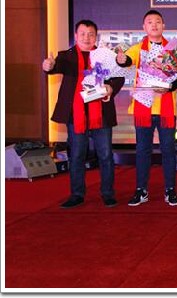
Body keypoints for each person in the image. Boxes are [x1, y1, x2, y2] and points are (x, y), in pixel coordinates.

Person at [42, 20, 124, 208]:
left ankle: (108, 193)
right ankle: (77, 194)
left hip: (101, 114)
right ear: (76, 36)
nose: (87, 38)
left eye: (91, 34)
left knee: (105, 155)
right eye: (83, 34)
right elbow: (54, 67)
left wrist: (111, 87)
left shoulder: (105, 55)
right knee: (77, 155)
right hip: (75, 114)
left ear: (96, 36)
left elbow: (119, 76)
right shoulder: (66, 56)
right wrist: (49, 66)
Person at [116, 9, 177, 207]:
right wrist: (121, 60)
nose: (154, 25)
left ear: (163, 26)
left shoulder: (174, 48)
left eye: (158, 21)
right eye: (150, 22)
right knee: (142, 150)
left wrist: (170, 87)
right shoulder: (137, 48)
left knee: (168, 150)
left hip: (166, 108)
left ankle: (170, 190)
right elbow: (126, 61)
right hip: (143, 107)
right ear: (144, 27)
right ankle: (141, 190)